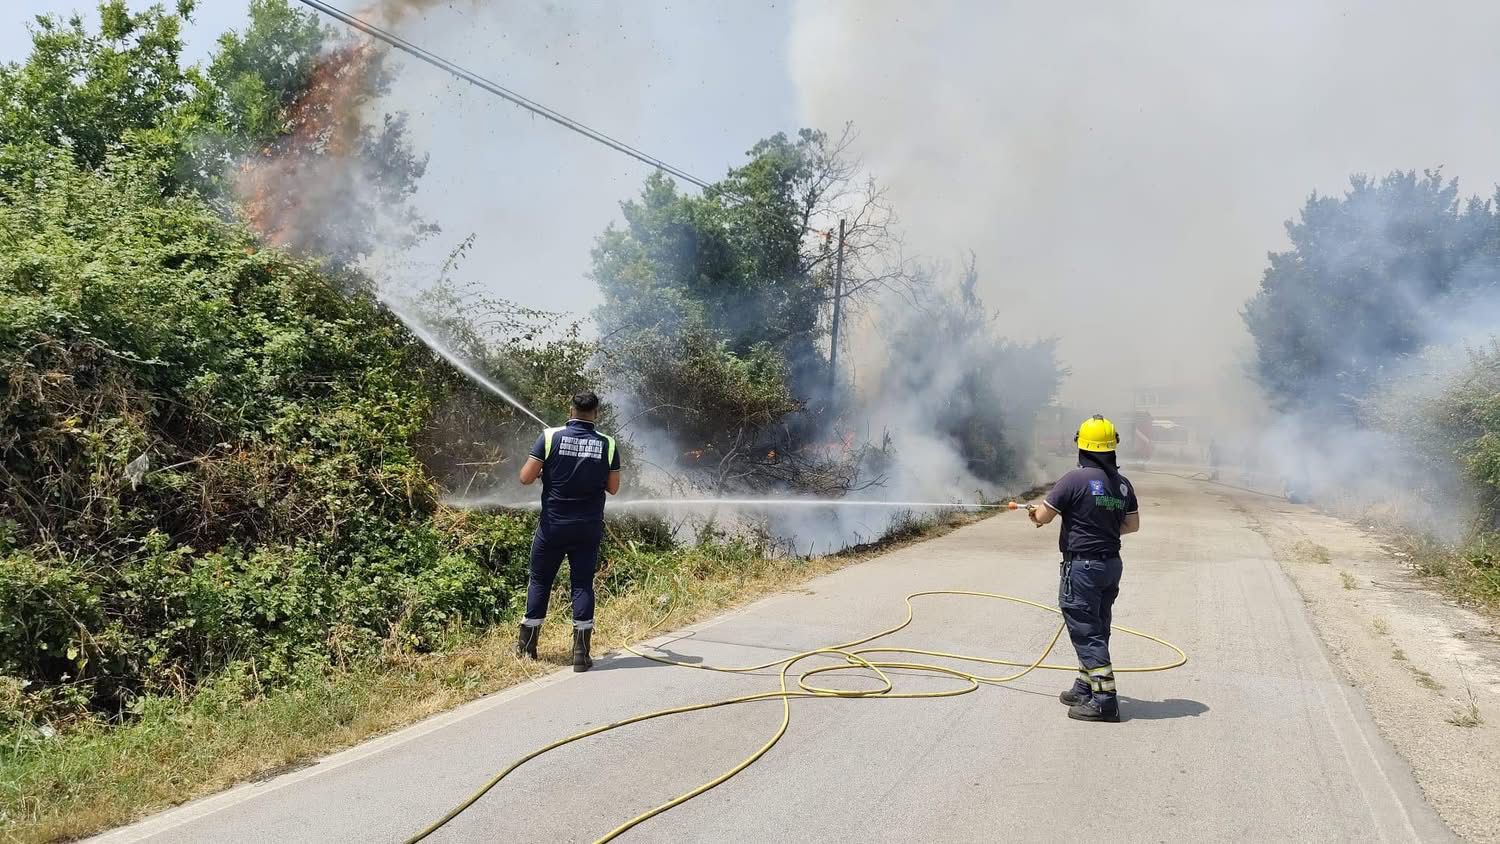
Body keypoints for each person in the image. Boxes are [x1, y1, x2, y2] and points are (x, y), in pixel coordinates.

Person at [1028, 414, 1141, 722]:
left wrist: (1033, 513)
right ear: (1111, 447)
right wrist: (1102, 526)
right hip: (1111, 566)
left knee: (1086, 630)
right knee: (1097, 626)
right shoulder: (1122, 485)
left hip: (1083, 567)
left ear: (1082, 446)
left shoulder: (1073, 480)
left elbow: (1043, 517)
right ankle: (1085, 687)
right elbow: (1132, 525)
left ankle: (1104, 700)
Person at [516, 391, 622, 671]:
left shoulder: (550, 437)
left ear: (570, 408)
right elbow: (613, 487)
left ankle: (527, 648)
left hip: (553, 526)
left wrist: (545, 472)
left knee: (540, 581)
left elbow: (525, 477)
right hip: (587, 528)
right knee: (582, 584)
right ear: (596, 413)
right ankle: (581, 654)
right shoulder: (608, 444)